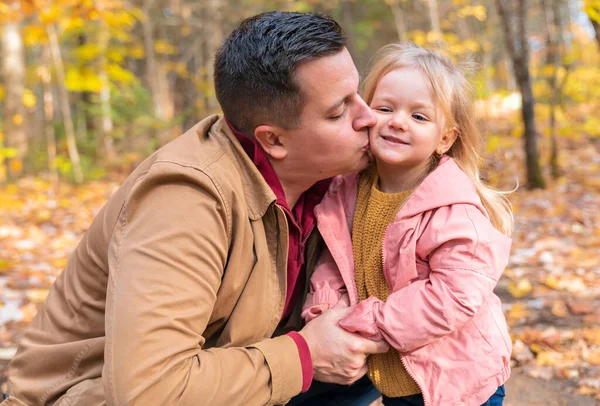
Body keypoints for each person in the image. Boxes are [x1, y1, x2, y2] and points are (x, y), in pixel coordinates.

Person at [3, 12, 390, 406]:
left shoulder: (330, 179)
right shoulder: (185, 199)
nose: (369, 117)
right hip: (87, 397)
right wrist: (305, 356)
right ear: (273, 139)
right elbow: (148, 392)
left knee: (385, 363)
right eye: (338, 111)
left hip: (224, 378)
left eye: (358, 94)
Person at [302, 44, 513, 405]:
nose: (398, 121)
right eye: (385, 108)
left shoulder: (453, 207)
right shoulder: (348, 189)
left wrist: (369, 320)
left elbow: (453, 294)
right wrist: (324, 311)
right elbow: (335, 263)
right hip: (392, 371)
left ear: (444, 139)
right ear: (366, 115)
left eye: (419, 117)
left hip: (455, 378)